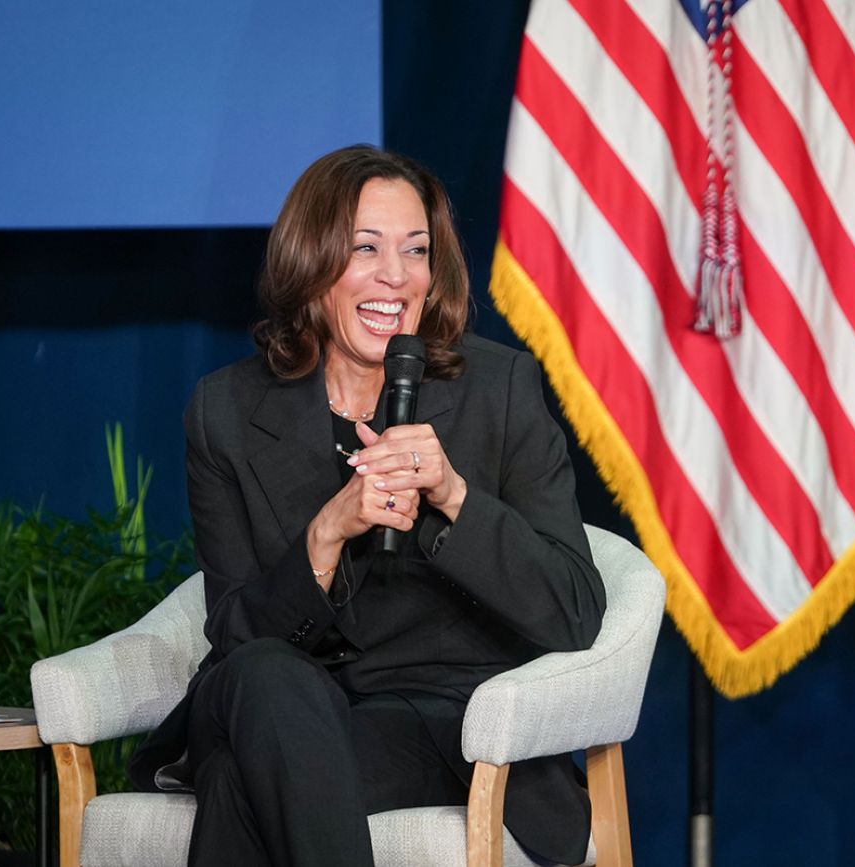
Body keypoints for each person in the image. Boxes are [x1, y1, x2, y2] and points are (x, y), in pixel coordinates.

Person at [128, 144, 607, 867]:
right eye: (366, 248)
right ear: (310, 261)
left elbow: (574, 610)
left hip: (447, 727)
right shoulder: (225, 412)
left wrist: (453, 495)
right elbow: (234, 629)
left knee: (234, 778)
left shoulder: (498, 389)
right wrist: (324, 536)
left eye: (416, 250)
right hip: (289, 699)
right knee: (261, 676)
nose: (396, 275)